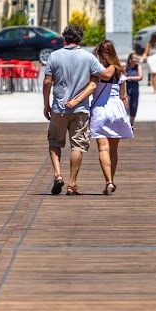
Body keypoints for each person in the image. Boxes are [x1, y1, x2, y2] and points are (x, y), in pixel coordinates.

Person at [42, 23, 104, 195]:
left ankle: (57, 175)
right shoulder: (89, 58)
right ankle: (71, 184)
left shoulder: (54, 56)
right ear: (80, 38)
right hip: (81, 109)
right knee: (78, 145)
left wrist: (46, 104)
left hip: (59, 107)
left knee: (54, 142)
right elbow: (103, 75)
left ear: (64, 37)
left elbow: (47, 82)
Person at [90, 40, 133, 195]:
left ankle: (109, 181)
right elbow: (124, 97)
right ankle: (111, 181)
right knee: (113, 150)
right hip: (117, 110)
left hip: (100, 109)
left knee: (103, 148)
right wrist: (127, 118)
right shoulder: (120, 71)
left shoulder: (96, 70)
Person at [123, 52, 143, 126]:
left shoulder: (138, 67)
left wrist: (128, 78)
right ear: (130, 60)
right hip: (126, 89)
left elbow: (140, 77)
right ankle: (125, 123)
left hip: (134, 88)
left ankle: (131, 123)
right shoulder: (125, 67)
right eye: (134, 58)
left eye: (136, 58)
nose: (136, 59)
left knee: (134, 105)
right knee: (126, 105)